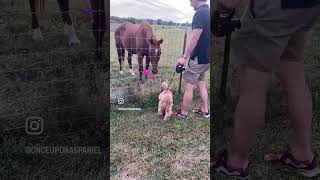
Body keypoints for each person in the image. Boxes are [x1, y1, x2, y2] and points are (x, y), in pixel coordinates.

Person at [213, 0, 320, 178]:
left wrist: (225, 6)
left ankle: (235, 163)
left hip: (273, 8)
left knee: (253, 82)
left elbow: (227, 3)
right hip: (307, 5)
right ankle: (302, 156)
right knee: (291, 66)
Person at [176, 0, 210, 119]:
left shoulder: (200, 14)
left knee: (189, 85)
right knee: (201, 83)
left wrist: (184, 58)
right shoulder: (208, 12)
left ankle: (183, 113)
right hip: (206, 58)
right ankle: (205, 111)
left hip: (197, 59)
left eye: (191, 1)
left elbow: (194, 38)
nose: (190, 3)